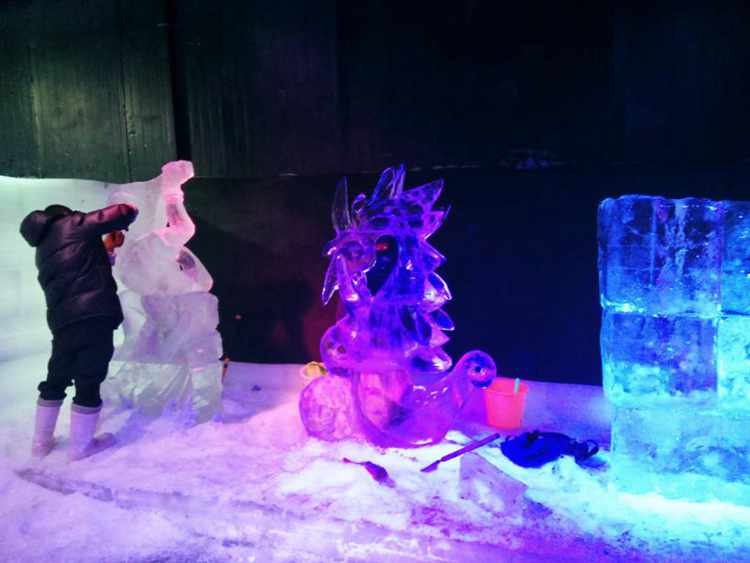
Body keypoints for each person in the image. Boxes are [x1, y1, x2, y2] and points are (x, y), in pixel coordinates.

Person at [20, 202, 138, 461]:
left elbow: (81, 268)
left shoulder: (43, 248)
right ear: (66, 215)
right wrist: (127, 212)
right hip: (93, 314)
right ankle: (81, 448)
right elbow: (124, 211)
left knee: (56, 378)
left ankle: (40, 444)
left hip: (63, 321)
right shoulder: (71, 225)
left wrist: (106, 248)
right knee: (89, 377)